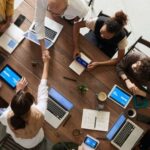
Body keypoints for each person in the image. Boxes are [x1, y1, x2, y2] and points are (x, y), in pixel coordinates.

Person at [0, 51, 50, 149]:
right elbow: (43, 87)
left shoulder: (6, 116)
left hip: (22, 142)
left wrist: (18, 91)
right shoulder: (39, 113)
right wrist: (46, 62)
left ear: (12, 106)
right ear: (30, 105)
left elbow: (10, 110)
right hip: (37, 139)